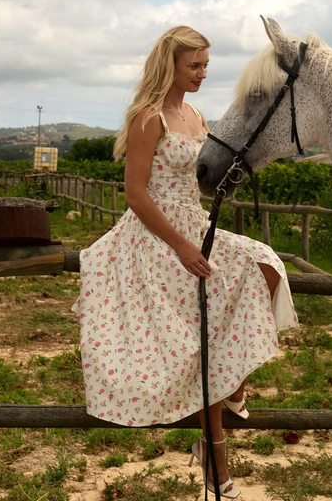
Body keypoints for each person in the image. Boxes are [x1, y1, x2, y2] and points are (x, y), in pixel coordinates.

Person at [71, 25, 298, 498]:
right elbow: (135, 194)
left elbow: (205, 176)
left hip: (195, 225)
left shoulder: (196, 115)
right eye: (194, 65)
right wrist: (180, 245)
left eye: (206, 65)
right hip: (155, 236)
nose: (202, 73)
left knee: (268, 266)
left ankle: (233, 389)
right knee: (201, 342)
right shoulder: (147, 116)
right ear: (170, 65)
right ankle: (215, 456)